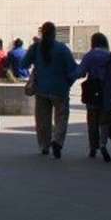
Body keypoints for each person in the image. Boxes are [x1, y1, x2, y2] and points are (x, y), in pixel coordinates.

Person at [21, 22, 79, 158]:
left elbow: (23, 64)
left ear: (42, 33)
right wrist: (69, 82)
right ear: (54, 33)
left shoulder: (36, 48)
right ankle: (57, 141)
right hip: (60, 89)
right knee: (61, 117)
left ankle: (44, 146)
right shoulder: (62, 48)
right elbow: (73, 69)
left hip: (41, 89)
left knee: (42, 120)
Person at [77, 32, 111, 162]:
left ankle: (93, 147)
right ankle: (103, 144)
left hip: (92, 93)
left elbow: (80, 72)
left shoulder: (89, 56)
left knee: (92, 122)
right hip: (108, 95)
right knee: (104, 122)